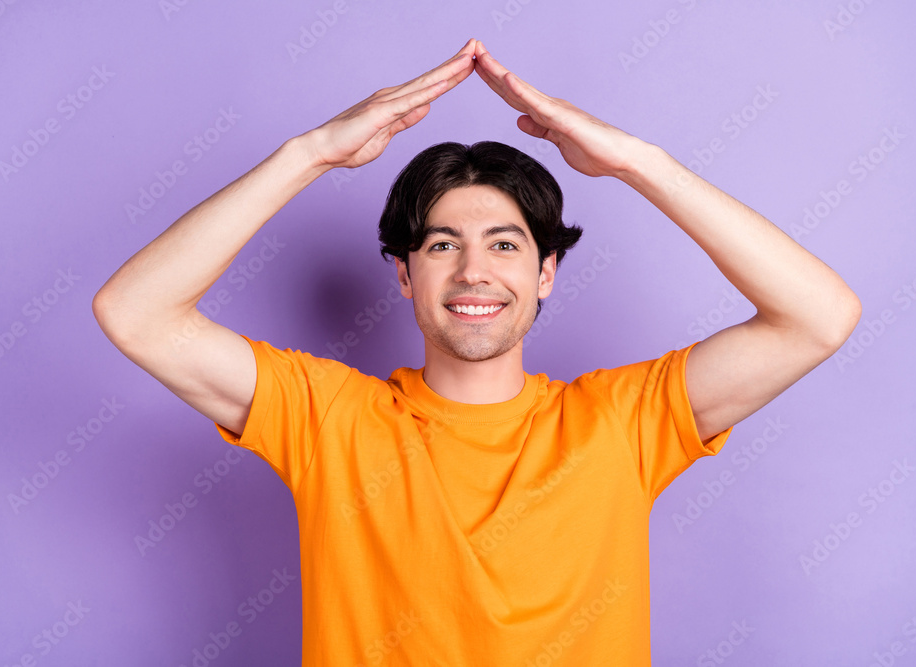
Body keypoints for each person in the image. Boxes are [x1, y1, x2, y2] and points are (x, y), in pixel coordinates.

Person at [93, 38, 861, 666]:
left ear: (545, 272)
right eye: (442, 244)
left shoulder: (624, 421)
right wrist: (310, 152)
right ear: (403, 273)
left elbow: (819, 316)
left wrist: (637, 162)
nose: (473, 271)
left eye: (504, 243)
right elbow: (134, 312)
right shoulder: (326, 417)